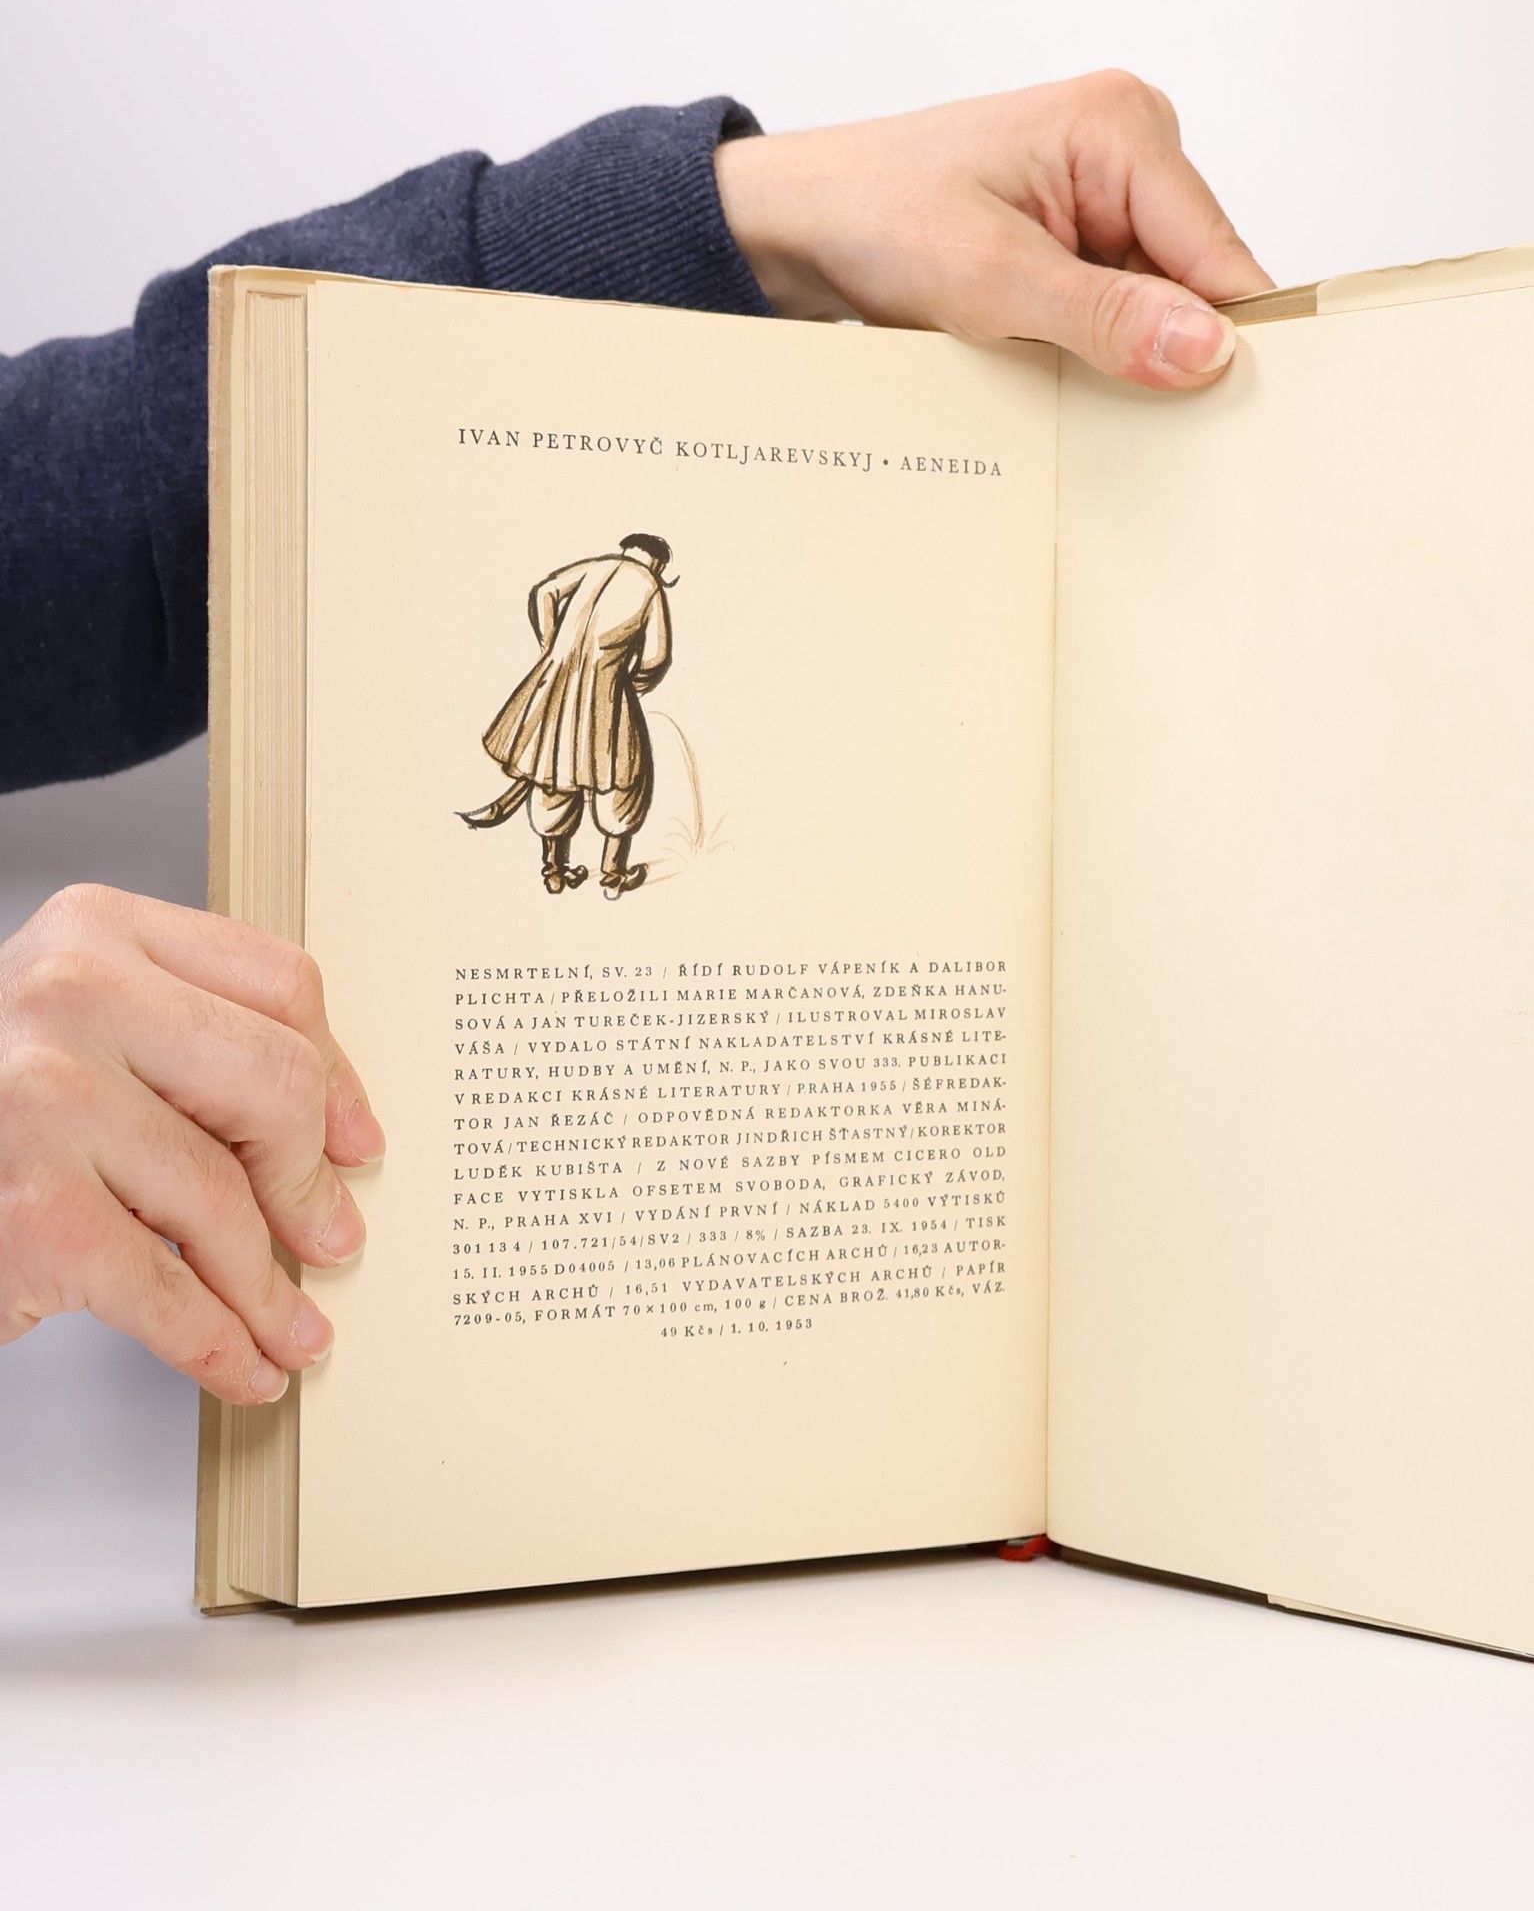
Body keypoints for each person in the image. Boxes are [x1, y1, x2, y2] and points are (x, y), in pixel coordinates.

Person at [0, 72, 1273, 1404]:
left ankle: (569, 864)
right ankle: (595, 866)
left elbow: (91, 509)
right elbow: (647, 659)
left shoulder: (586, 575)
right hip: (600, 692)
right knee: (620, 777)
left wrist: (740, 217)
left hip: (555, 676)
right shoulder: (648, 590)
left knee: (559, 778)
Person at [459, 533, 677, 898]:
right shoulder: (649, 586)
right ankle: (612, 874)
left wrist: (553, 648)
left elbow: (543, 593)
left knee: (553, 768)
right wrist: (631, 683)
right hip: (609, 691)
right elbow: (657, 656)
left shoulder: (595, 567)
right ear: (658, 563)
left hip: (556, 684)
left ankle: (555, 872)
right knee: (622, 774)